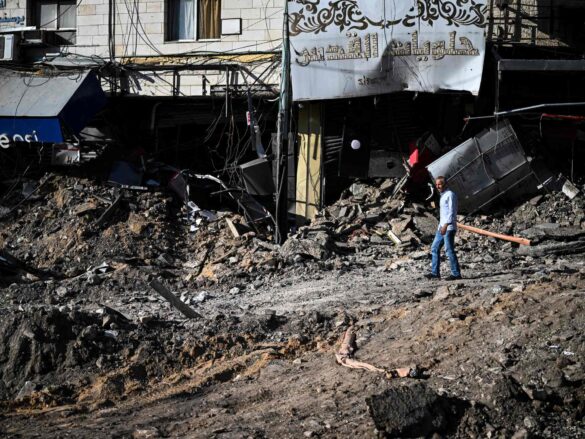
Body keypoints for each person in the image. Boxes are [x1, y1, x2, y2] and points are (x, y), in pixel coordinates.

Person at [425, 176, 462, 280]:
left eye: (440, 184)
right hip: (441, 227)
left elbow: (452, 212)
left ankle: (456, 274)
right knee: (434, 248)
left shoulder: (450, 195)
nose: (437, 186)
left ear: (445, 184)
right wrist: (441, 226)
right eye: (436, 184)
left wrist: (446, 225)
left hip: (448, 228)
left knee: (449, 250)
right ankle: (435, 273)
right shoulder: (443, 195)